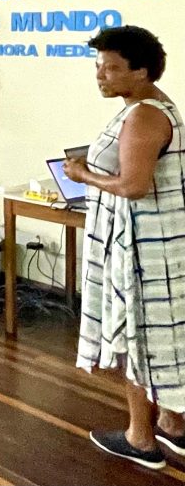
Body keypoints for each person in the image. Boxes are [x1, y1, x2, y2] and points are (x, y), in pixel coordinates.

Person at [59, 26, 185, 470]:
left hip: (143, 251)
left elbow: (132, 186)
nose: (101, 76)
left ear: (142, 71)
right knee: (167, 339)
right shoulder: (146, 107)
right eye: (98, 67)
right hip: (158, 243)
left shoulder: (145, 115)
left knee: (139, 340)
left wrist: (83, 176)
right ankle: (173, 424)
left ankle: (141, 439)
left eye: (112, 68)